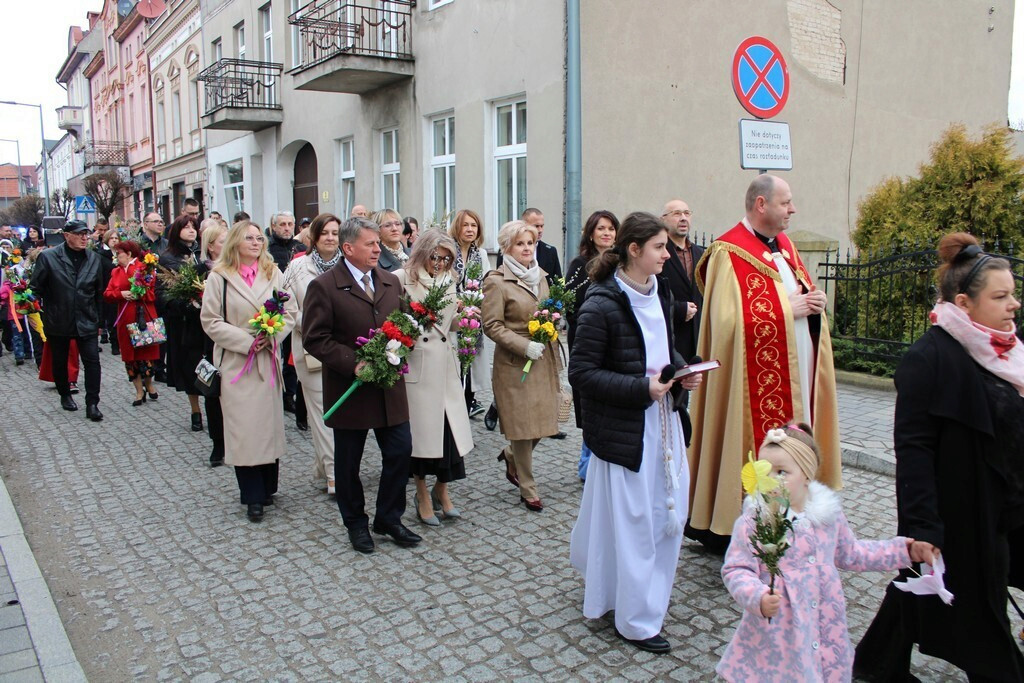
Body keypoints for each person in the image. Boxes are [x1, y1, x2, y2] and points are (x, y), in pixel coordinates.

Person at [853, 233, 1024, 682]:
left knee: (915, 588)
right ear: (964, 303)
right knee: (982, 614)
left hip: (1011, 502)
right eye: (1001, 296)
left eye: (1014, 293)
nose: (1014, 305)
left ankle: (876, 663)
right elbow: (914, 451)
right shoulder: (929, 358)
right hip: (965, 516)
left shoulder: (1009, 348)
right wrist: (922, 528)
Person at [568, 211, 702, 654]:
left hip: (663, 422)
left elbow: (661, 350)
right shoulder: (600, 303)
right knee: (634, 525)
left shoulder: (659, 290)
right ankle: (636, 620)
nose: (668, 254)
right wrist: (641, 388)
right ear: (634, 250)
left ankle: (627, 594)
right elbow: (583, 373)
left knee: (670, 514)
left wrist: (682, 369)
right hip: (626, 430)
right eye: (660, 247)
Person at [686, 174, 841, 554]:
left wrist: (813, 301)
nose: (793, 209)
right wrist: (790, 309)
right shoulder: (729, 252)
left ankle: (791, 515)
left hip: (797, 370)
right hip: (748, 384)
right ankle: (732, 526)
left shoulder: (784, 245)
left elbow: (795, 296)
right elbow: (727, 325)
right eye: (786, 202)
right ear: (761, 205)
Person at [717, 425, 918, 682]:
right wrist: (757, 597)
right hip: (781, 634)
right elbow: (737, 569)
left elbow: (853, 553)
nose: (771, 480)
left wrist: (905, 550)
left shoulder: (828, 517)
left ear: (807, 475)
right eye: (764, 471)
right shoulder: (754, 522)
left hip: (825, 625)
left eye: (782, 472)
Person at [302, 216, 422, 553]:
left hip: (388, 388)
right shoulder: (324, 286)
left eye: (377, 243)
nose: (377, 249)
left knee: (400, 451)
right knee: (348, 463)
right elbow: (316, 339)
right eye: (370, 244)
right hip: (350, 389)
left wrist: (404, 342)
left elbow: (401, 322)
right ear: (348, 247)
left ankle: (388, 517)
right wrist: (354, 363)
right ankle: (355, 523)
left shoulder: (389, 281)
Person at [200, 220, 296, 522]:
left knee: (267, 427)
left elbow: (289, 311)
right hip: (237, 361)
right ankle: (251, 496)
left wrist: (273, 335)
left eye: (259, 238)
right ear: (235, 243)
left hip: (267, 359)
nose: (256, 243)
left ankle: (268, 488)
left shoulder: (273, 272)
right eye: (249, 238)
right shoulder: (220, 277)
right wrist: (246, 341)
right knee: (244, 429)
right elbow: (211, 320)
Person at [482, 220, 562, 512]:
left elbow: (548, 308)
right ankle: (528, 487)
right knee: (521, 427)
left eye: (530, 243)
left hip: (542, 358)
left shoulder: (541, 275)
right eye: (520, 244)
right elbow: (491, 325)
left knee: (543, 421)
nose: (527, 248)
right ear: (506, 248)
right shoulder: (496, 280)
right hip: (515, 363)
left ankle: (511, 455)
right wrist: (522, 344)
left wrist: (552, 323)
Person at [395, 230, 474, 525]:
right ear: (422, 252)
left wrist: (465, 318)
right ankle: (421, 492)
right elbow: (394, 320)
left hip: (445, 364)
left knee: (451, 432)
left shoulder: (450, 280)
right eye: (435, 256)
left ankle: (442, 489)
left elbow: (446, 322)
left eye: (446, 258)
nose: (440, 263)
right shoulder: (402, 278)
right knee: (424, 436)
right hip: (418, 364)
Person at [282, 213, 340, 495]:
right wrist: (317, 326)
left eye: (335, 233)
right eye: (325, 233)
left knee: (340, 410)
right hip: (311, 347)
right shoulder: (297, 267)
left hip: (343, 348)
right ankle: (333, 473)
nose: (330, 238)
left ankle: (323, 465)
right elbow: (286, 306)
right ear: (313, 237)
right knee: (322, 412)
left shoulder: (348, 265)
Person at [31, 220, 104, 421]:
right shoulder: (48, 257)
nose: (84, 238)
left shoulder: (94, 259)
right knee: (60, 361)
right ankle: (65, 394)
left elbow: (99, 292)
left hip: (86, 318)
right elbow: (35, 288)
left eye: (86, 234)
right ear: (66, 235)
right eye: (79, 234)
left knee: (92, 362)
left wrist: (100, 322)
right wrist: (29, 305)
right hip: (58, 318)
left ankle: (92, 403)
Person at [565, 210, 619, 481]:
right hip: (587, 339)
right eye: (601, 228)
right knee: (588, 402)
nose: (607, 233)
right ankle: (587, 464)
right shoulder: (580, 263)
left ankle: (604, 460)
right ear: (591, 232)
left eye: (611, 228)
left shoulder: (621, 262)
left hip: (615, 341)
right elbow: (571, 306)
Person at [158, 215, 205, 431]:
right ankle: (196, 410)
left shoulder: (202, 253)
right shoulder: (168, 258)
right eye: (185, 227)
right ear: (176, 231)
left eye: (193, 227)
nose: (190, 230)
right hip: (185, 320)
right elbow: (164, 294)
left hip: (206, 317)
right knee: (190, 367)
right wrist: (186, 304)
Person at [104, 240, 161, 406]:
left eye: (119, 253)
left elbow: (151, 294)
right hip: (125, 318)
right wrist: (122, 294)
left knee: (147, 353)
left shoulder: (145, 269)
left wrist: (139, 294)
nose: (116, 256)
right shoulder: (115, 272)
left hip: (145, 316)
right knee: (130, 356)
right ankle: (138, 390)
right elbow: (107, 293)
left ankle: (149, 383)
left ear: (129, 254)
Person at [449, 209, 492, 418]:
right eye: (465, 225)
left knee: (470, 372)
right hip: (452, 319)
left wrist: (478, 305)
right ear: (457, 227)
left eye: (473, 225)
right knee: (454, 373)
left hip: (473, 319)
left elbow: (487, 283)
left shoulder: (481, 254)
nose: (469, 229)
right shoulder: (448, 251)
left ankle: (465, 418)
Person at [266, 210, 304, 414]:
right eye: (282, 224)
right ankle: (281, 391)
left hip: (296, 307)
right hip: (274, 307)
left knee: (293, 353)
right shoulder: (268, 249)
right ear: (274, 227)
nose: (287, 228)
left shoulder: (301, 248)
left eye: (290, 224)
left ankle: (291, 393)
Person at [198, 221, 228, 466]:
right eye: (222, 241)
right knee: (213, 391)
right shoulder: (200, 270)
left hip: (231, 337)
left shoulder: (233, 269)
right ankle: (218, 443)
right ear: (210, 246)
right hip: (207, 341)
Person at [661, 199, 704, 364]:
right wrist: (678, 309)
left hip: (696, 337)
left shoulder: (701, 254)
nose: (683, 218)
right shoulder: (660, 253)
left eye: (687, 213)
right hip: (670, 336)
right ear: (663, 219)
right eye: (677, 214)